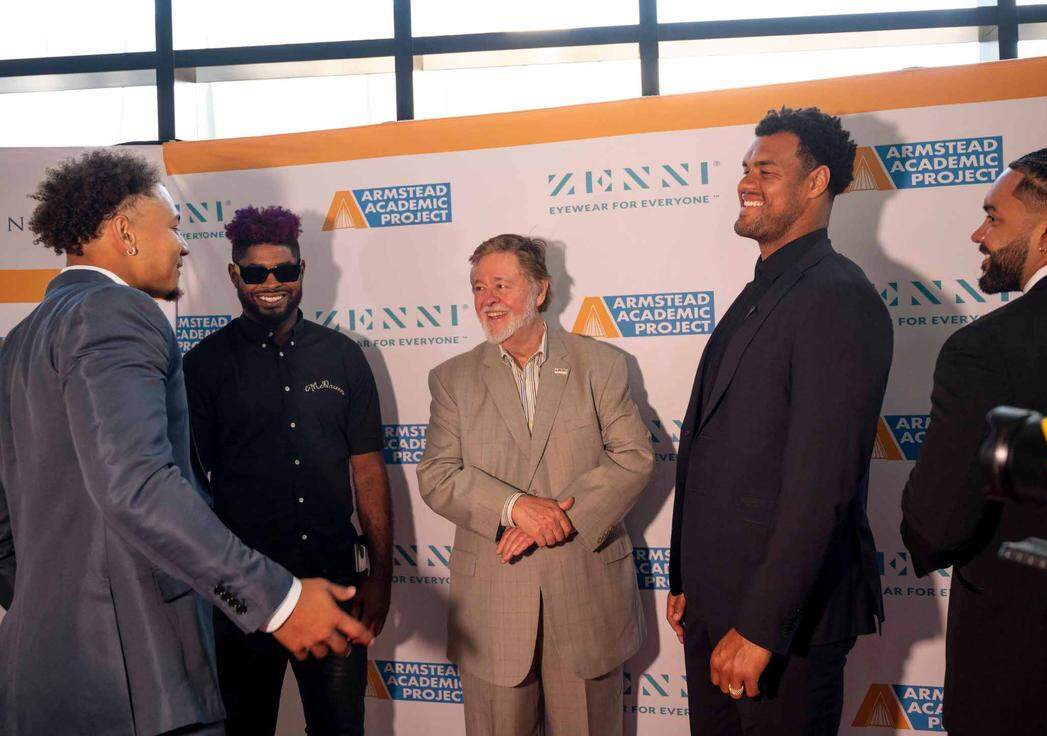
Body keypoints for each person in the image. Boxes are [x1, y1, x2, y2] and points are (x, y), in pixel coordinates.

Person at [0, 151, 372, 736]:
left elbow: (3, 525)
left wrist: (62, 610)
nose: (182, 245)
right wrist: (278, 601)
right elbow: (138, 485)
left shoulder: (22, 338)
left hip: (41, 672)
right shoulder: (117, 313)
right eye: (172, 227)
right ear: (125, 232)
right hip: (136, 680)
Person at [667, 107, 893, 735]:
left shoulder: (838, 296)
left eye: (766, 170)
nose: (746, 182)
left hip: (781, 627)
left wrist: (763, 626)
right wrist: (688, 578)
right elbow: (714, 447)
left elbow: (823, 483)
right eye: (746, 169)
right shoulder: (762, 289)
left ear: (817, 182)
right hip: (718, 608)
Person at [901, 144, 1047, 735]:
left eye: (994, 216)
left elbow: (939, 520)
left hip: (1024, 672)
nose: (978, 234)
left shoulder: (987, 347)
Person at [417, 234, 653, 736]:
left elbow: (633, 458)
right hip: (493, 611)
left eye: (502, 284)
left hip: (586, 603)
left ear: (541, 290)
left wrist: (559, 517)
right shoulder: (451, 379)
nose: (488, 299)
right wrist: (516, 508)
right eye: (479, 287)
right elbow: (437, 474)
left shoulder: (602, 366)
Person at [184, 205, 392, 736]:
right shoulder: (202, 366)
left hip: (335, 582)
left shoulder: (344, 357)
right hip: (244, 593)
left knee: (340, 727)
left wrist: (383, 576)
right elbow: (190, 487)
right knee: (244, 727)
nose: (271, 283)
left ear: (303, 272)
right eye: (256, 272)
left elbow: (368, 472)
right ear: (235, 276)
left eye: (285, 270)